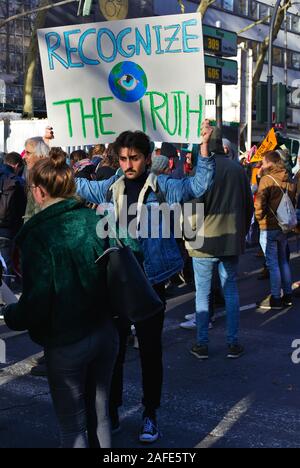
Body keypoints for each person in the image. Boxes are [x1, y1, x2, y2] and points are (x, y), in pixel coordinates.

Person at [75, 123, 215, 443]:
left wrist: (204, 146)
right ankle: (111, 408)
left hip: (152, 281)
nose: (128, 165)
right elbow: (77, 187)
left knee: (151, 353)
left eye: (134, 158)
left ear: (148, 158)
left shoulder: (163, 185)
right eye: (123, 158)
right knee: (115, 351)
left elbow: (199, 186)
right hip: (118, 281)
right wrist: (53, 153)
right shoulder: (112, 185)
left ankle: (150, 414)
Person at [2, 152, 118, 448]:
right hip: (105, 331)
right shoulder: (95, 218)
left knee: (73, 427)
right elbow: (127, 257)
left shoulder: (37, 234)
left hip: (67, 341)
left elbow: (36, 303)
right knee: (101, 416)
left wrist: (11, 314)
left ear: (39, 192)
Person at [186, 128, 253, 360]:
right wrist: (241, 233)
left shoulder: (201, 170)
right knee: (231, 291)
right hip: (230, 239)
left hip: (203, 241)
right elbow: (248, 206)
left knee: (203, 294)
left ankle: (202, 343)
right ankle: (233, 343)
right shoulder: (238, 170)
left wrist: (189, 238)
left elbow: (191, 209)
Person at [255, 151, 296, 310]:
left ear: (270, 163)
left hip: (269, 226)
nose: (262, 165)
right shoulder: (289, 179)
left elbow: (259, 204)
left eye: (264, 162)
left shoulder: (267, 180)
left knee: (273, 264)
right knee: (283, 261)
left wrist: (259, 219)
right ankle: (287, 295)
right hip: (284, 226)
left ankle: (276, 298)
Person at [0, 152, 26, 286]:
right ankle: (5, 296)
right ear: (16, 165)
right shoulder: (18, 181)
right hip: (8, 230)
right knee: (6, 262)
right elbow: (22, 209)